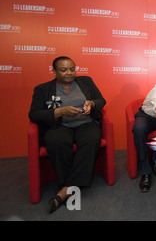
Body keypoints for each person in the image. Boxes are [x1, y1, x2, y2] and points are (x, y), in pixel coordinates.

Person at [29, 56, 106, 213]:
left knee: (91, 139)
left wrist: (91, 104)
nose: (69, 73)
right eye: (64, 70)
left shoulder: (86, 81)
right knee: (57, 142)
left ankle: (64, 190)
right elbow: (34, 114)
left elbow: (101, 100)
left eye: (72, 69)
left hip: (85, 123)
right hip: (60, 125)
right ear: (54, 71)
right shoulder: (42, 89)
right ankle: (70, 186)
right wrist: (59, 111)